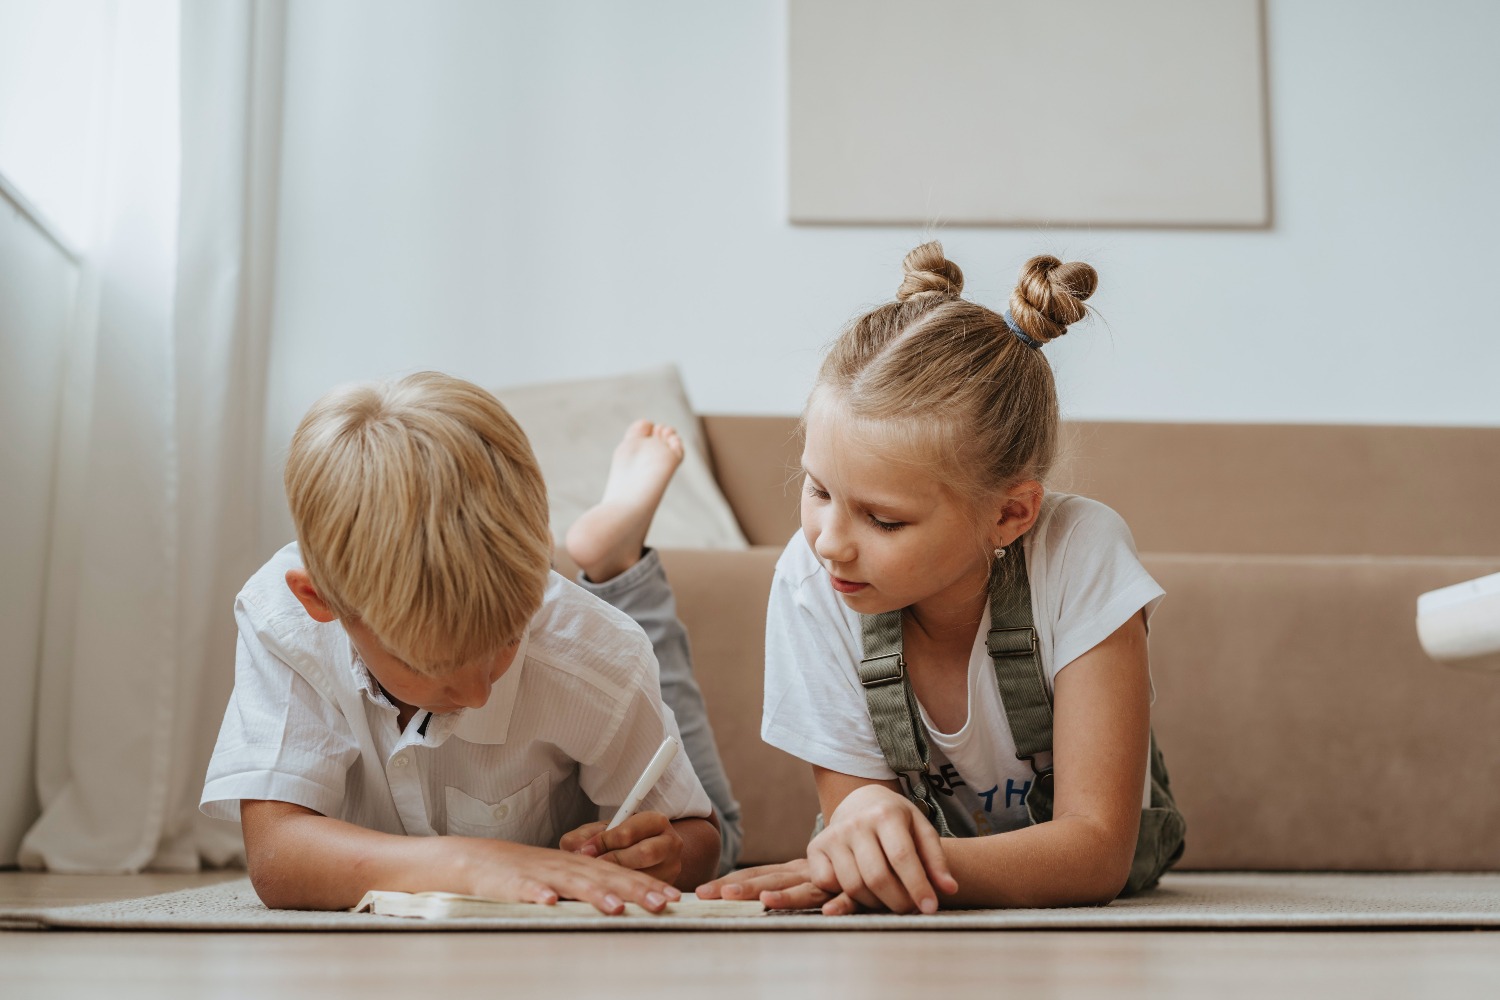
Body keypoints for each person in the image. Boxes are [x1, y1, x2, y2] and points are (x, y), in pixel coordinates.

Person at [699, 242, 1184, 914]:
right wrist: (863, 836)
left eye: (885, 521)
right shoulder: (809, 582)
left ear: (1010, 514)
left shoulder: (1081, 552)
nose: (831, 543)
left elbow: (1096, 851)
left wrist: (895, 870)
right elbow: (858, 811)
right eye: (817, 490)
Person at [201, 373, 723, 913]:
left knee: (721, 809)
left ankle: (621, 566)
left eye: (507, 639)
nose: (477, 694)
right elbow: (276, 856)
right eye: (435, 664)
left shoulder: (595, 651)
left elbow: (702, 841)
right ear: (321, 602)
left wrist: (666, 855)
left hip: (596, 649)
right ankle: (615, 560)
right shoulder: (285, 622)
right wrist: (469, 863)